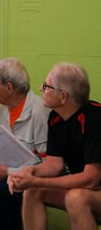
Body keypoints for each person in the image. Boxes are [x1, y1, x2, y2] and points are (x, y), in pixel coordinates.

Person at [7, 63, 101, 230]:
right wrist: (29, 172)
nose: (41, 89)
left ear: (63, 96)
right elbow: (54, 164)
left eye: (46, 86)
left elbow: (91, 179)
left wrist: (36, 180)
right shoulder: (55, 118)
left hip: (93, 188)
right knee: (33, 190)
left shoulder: (95, 119)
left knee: (76, 197)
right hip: (92, 190)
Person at [0, 58, 49, 230]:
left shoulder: (38, 112)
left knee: (4, 188)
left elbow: (46, 161)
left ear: (9, 88)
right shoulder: (5, 108)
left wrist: (9, 172)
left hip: (34, 172)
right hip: (11, 168)